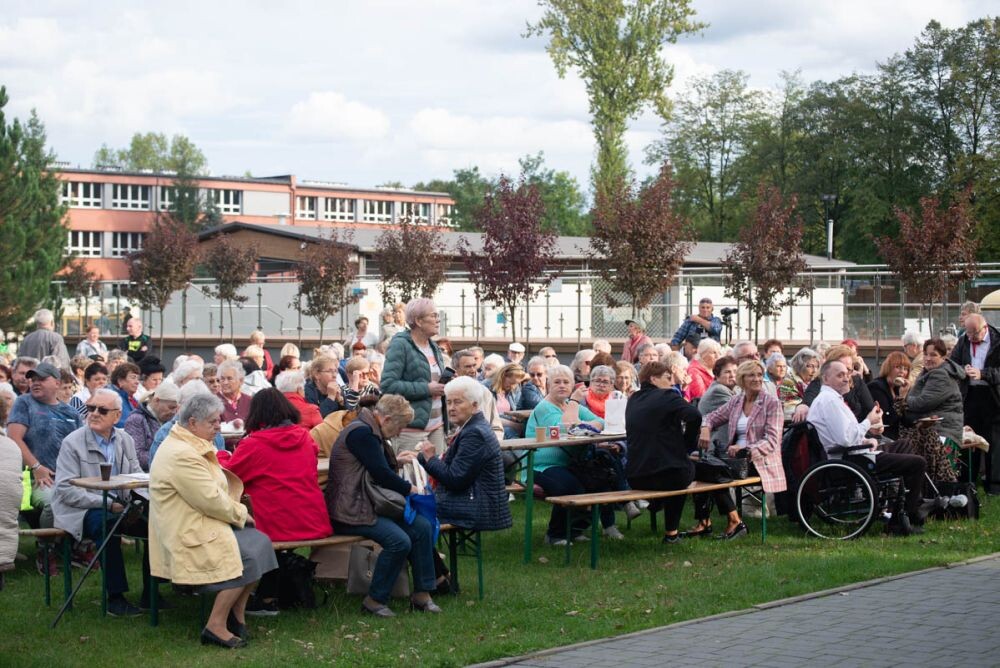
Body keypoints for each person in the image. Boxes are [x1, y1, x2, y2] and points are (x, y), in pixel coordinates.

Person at [149, 392, 277, 648]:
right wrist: (241, 513)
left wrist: (236, 513)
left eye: (219, 420)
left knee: (260, 542)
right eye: (212, 422)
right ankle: (215, 625)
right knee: (248, 554)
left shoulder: (192, 444)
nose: (218, 426)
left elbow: (213, 495)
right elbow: (209, 499)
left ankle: (236, 612)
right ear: (193, 422)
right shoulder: (181, 453)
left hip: (203, 519)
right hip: (188, 529)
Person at [325, 394, 441, 617]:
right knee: (399, 541)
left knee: (422, 527)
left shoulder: (367, 429)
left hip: (367, 504)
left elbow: (375, 466)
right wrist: (410, 489)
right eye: (400, 426)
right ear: (386, 419)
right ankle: (375, 600)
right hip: (350, 510)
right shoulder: (362, 433)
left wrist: (397, 461)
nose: (399, 432)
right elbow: (380, 473)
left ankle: (423, 594)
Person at [224, 389, 332, 615]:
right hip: (310, 519)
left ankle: (264, 596)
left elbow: (231, 476)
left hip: (273, 523)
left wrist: (219, 455)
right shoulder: (305, 438)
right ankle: (274, 592)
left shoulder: (254, 444)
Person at [51, 387, 148, 616]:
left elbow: (136, 475)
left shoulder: (125, 439)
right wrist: (106, 503)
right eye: (90, 408)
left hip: (120, 506)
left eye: (102, 410)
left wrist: (139, 503)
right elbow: (65, 490)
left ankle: (152, 593)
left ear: (116, 416)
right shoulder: (72, 442)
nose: (94, 413)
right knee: (108, 525)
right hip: (80, 510)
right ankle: (115, 597)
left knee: (156, 522)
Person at [807, 360, 926, 532]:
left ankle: (902, 509)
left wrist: (865, 440)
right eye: (840, 375)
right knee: (918, 463)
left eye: (847, 374)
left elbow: (843, 435)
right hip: (850, 461)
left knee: (904, 445)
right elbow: (846, 439)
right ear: (825, 379)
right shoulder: (829, 401)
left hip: (852, 453)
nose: (846, 379)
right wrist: (868, 421)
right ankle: (909, 513)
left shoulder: (832, 399)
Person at [525, 365, 621, 544]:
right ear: (548, 385)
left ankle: (575, 530)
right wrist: (578, 409)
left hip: (572, 464)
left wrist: (584, 424)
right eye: (557, 382)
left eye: (566, 382)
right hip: (540, 465)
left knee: (600, 482)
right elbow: (567, 428)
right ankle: (555, 534)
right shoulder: (544, 408)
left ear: (572, 385)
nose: (562, 386)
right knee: (570, 487)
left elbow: (601, 421)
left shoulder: (569, 406)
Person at [696, 361, 785, 540]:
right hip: (735, 460)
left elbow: (772, 440)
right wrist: (705, 428)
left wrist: (746, 448)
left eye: (760, 375)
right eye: (751, 375)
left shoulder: (771, 403)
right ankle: (705, 522)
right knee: (699, 467)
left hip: (759, 460)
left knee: (714, 473)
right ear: (742, 379)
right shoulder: (737, 401)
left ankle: (734, 522)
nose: (757, 379)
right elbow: (712, 416)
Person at [8, 361, 83, 572]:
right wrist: (37, 467)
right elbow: (14, 439)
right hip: (36, 479)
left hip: (70, 477)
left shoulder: (71, 413)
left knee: (96, 500)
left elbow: (81, 446)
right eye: (33, 378)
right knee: (53, 502)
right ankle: (46, 549)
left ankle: (78, 546)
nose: (35, 382)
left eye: (42, 378)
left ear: (57, 382)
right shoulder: (24, 404)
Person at [416, 376, 512, 532]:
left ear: (474, 406)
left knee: (411, 515)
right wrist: (420, 457)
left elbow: (455, 479)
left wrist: (430, 458)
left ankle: (429, 557)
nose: (452, 408)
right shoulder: (471, 427)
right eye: (448, 402)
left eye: (458, 402)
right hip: (470, 502)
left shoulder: (475, 433)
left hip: (473, 508)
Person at [625, 360, 703, 544]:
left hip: (636, 476)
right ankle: (672, 533)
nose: (672, 382)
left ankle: (658, 503)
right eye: (668, 378)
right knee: (699, 469)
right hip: (669, 475)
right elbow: (695, 416)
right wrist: (688, 445)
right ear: (653, 379)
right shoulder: (668, 395)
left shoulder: (633, 400)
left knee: (682, 466)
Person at [381, 298, 447, 453]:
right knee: (413, 476)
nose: (438, 320)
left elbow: (432, 380)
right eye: (433, 315)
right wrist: (426, 389)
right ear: (418, 320)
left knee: (438, 476)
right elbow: (388, 385)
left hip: (437, 426)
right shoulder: (400, 344)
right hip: (410, 430)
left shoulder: (433, 346)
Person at [899, 338, 964, 482]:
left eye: (933, 355)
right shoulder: (928, 372)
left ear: (944, 356)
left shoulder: (940, 375)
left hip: (942, 431)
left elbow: (921, 403)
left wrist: (905, 398)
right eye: (926, 354)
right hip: (932, 429)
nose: (928, 358)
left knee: (938, 476)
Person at [950, 313, 1000, 493]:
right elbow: (952, 362)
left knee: (993, 441)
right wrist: (962, 370)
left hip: (993, 396)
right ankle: (967, 481)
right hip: (970, 395)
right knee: (969, 438)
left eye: (974, 334)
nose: (970, 337)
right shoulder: (963, 341)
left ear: (984, 328)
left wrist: (983, 374)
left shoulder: (997, 341)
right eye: (968, 333)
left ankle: (994, 485)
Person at [793, 344, 875, 424]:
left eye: (849, 370)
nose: (846, 376)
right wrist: (803, 406)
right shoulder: (821, 382)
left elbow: (870, 410)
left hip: (863, 432)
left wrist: (875, 423)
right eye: (841, 371)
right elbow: (808, 399)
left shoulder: (857, 381)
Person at [124, 379, 180, 471]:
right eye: (171, 407)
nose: (173, 412)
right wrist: (171, 458)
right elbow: (137, 457)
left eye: (176, 409)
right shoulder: (136, 420)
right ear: (157, 400)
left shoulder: (171, 422)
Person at [866, 352, 911, 441]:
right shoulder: (877, 387)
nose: (902, 371)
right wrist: (901, 397)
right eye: (898, 367)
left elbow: (906, 420)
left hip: (898, 434)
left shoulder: (898, 388)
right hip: (882, 436)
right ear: (888, 368)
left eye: (905, 369)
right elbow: (887, 420)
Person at [698, 356, 739, 452]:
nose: (733, 375)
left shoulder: (730, 389)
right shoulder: (718, 390)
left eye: (735, 371)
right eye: (727, 372)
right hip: (718, 448)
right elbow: (739, 409)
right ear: (717, 375)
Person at [490, 364, 531, 438]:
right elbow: (488, 416)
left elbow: (518, 408)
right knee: (509, 430)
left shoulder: (514, 388)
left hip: (510, 424)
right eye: (511, 383)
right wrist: (512, 423)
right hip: (495, 427)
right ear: (503, 376)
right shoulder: (487, 388)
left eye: (517, 384)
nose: (513, 387)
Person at [216, 359, 252, 424]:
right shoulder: (213, 401)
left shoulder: (250, 401)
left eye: (229, 379)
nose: (225, 382)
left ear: (241, 381)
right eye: (222, 379)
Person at [109, 362, 141, 428]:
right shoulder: (111, 397)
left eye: (138, 378)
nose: (137, 382)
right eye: (133, 377)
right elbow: (122, 424)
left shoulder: (131, 398)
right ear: (120, 381)